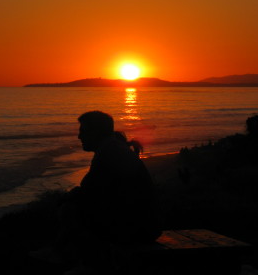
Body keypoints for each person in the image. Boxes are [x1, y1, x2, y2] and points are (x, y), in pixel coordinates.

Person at [32, 111, 161, 274]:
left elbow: (89, 192)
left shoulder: (109, 153)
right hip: (146, 224)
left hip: (138, 229)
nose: (79, 137)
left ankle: (91, 264)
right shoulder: (113, 148)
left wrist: (68, 198)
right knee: (76, 207)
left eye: (83, 131)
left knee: (69, 210)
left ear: (96, 132)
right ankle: (64, 253)